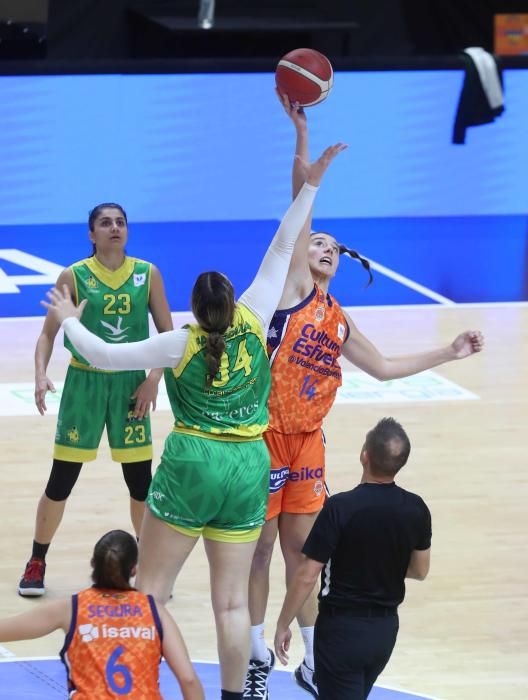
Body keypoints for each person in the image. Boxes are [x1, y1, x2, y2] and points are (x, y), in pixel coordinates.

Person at [41, 143, 346, 700]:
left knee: (151, 591)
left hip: (194, 463)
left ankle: (131, 689)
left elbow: (104, 357)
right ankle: (234, 695)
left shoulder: (179, 343)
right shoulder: (255, 320)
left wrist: (66, 321)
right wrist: (312, 185)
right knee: (230, 603)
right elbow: (284, 243)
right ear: (233, 300)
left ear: (193, 307)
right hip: (251, 465)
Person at [245, 95, 484, 699]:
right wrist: (303, 140)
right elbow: (296, 212)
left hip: (308, 443)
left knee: (304, 551)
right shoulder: (293, 288)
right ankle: (253, 656)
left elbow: (383, 367)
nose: (323, 247)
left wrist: (448, 352)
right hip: (263, 435)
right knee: (262, 546)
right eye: (317, 242)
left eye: (332, 246)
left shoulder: (337, 317)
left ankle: (312, 656)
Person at [18, 203, 173, 598]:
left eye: (120, 222)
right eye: (105, 223)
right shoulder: (74, 275)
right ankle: (37, 560)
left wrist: (153, 378)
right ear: (91, 234)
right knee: (61, 480)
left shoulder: (147, 273)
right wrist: (40, 373)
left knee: (141, 483)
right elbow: (46, 335)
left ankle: (147, 566)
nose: (115, 228)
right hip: (84, 385)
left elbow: (169, 336)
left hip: (129, 386)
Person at [273, 418, 431, 700]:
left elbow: (307, 575)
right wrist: (381, 564)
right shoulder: (416, 509)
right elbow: (419, 571)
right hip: (384, 633)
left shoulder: (338, 508)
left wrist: (283, 623)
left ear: (364, 456)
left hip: (340, 632)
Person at [1, 529, 204, 699]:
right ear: (134, 570)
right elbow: (189, 680)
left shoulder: (72, 608)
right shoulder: (154, 611)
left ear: (92, 563)